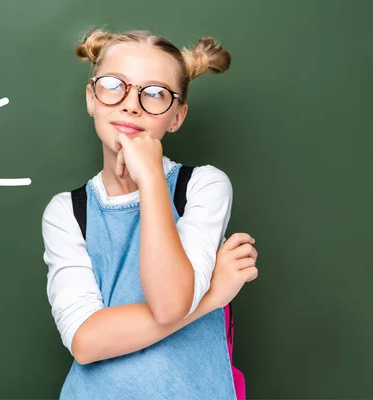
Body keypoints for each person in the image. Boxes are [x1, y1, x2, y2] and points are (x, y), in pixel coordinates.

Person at [41, 27, 259, 399]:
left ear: (176, 116)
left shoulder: (202, 187)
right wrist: (212, 295)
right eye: (114, 85)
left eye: (155, 93)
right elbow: (85, 341)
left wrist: (152, 178)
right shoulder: (67, 212)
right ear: (91, 98)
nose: (131, 104)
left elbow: (170, 301)